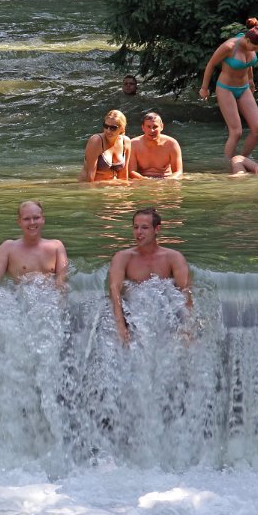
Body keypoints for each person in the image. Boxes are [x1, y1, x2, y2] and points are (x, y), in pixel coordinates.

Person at [108, 208, 191, 344]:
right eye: (135, 227)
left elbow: (186, 293)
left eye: (145, 228)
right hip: (133, 319)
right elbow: (114, 289)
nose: (139, 232)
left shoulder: (173, 258)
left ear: (157, 229)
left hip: (167, 319)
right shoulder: (122, 258)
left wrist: (187, 328)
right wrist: (120, 326)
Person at [199, 18, 258, 159]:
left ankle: (242, 160)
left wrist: (251, 81)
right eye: (255, 48)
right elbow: (211, 64)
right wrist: (204, 88)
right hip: (226, 88)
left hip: (244, 88)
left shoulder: (251, 45)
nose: (256, 51)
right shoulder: (229, 47)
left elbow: (248, 64)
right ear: (247, 41)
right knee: (236, 132)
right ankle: (229, 166)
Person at [0, 200, 68, 299]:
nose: (32, 222)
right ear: (19, 222)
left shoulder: (57, 247)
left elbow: (62, 283)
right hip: (18, 301)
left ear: (43, 219)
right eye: (26, 219)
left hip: (48, 301)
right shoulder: (7, 248)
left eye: (36, 218)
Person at [79, 109, 131, 182]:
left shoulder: (126, 142)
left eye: (113, 128)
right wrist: (91, 192)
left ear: (121, 128)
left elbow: (123, 175)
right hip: (95, 185)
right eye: (106, 126)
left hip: (112, 187)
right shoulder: (96, 141)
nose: (108, 130)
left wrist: (124, 191)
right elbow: (90, 176)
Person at [128, 112, 182, 179]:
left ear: (162, 127)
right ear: (143, 128)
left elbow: (178, 172)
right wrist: (146, 181)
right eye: (148, 127)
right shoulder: (133, 144)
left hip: (165, 180)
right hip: (143, 181)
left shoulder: (171, 144)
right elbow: (131, 172)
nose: (152, 130)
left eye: (155, 127)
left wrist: (165, 182)